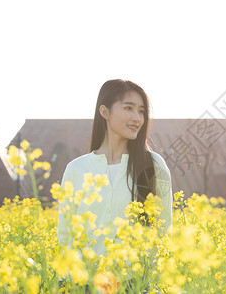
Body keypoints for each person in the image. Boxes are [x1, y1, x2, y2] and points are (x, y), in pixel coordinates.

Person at [57, 79, 173, 291]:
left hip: (133, 284)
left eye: (141, 111)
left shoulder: (154, 166)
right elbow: (65, 235)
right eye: (128, 108)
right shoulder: (76, 169)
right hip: (82, 284)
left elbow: (163, 230)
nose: (136, 118)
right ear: (105, 112)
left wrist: (141, 279)